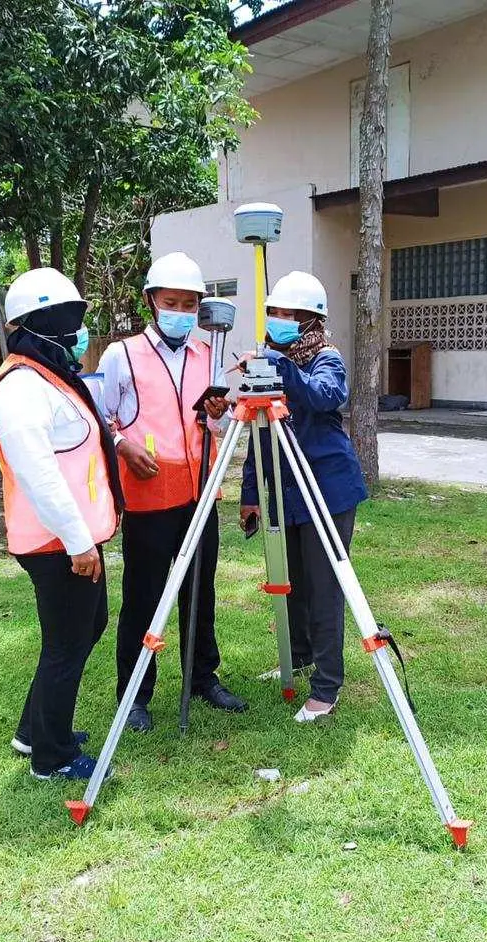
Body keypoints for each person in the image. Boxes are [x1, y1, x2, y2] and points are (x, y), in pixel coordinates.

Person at [97, 252, 246, 732]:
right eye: (171, 302)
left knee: (200, 592)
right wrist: (122, 446)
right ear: (150, 302)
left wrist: (220, 409)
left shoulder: (210, 356)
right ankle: (135, 693)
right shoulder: (121, 355)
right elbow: (100, 416)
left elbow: (217, 419)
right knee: (144, 597)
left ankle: (203, 677)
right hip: (148, 497)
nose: (180, 310)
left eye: (189, 303)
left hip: (200, 495)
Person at [0, 268, 123, 780]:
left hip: (77, 537)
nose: (77, 331)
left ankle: (36, 730)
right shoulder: (20, 387)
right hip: (57, 543)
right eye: (68, 320)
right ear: (38, 325)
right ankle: (53, 757)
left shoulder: (49, 377)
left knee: (87, 628)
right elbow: (39, 475)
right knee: (66, 645)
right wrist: (76, 542)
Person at [239, 271, 368, 722]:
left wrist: (282, 369)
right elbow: (259, 433)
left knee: (324, 586)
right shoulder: (270, 364)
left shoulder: (325, 360)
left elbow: (325, 396)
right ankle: (298, 657)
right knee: (292, 581)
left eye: (287, 315)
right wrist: (251, 494)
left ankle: (327, 686)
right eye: (273, 313)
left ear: (311, 319)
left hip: (327, 492)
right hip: (287, 491)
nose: (277, 322)